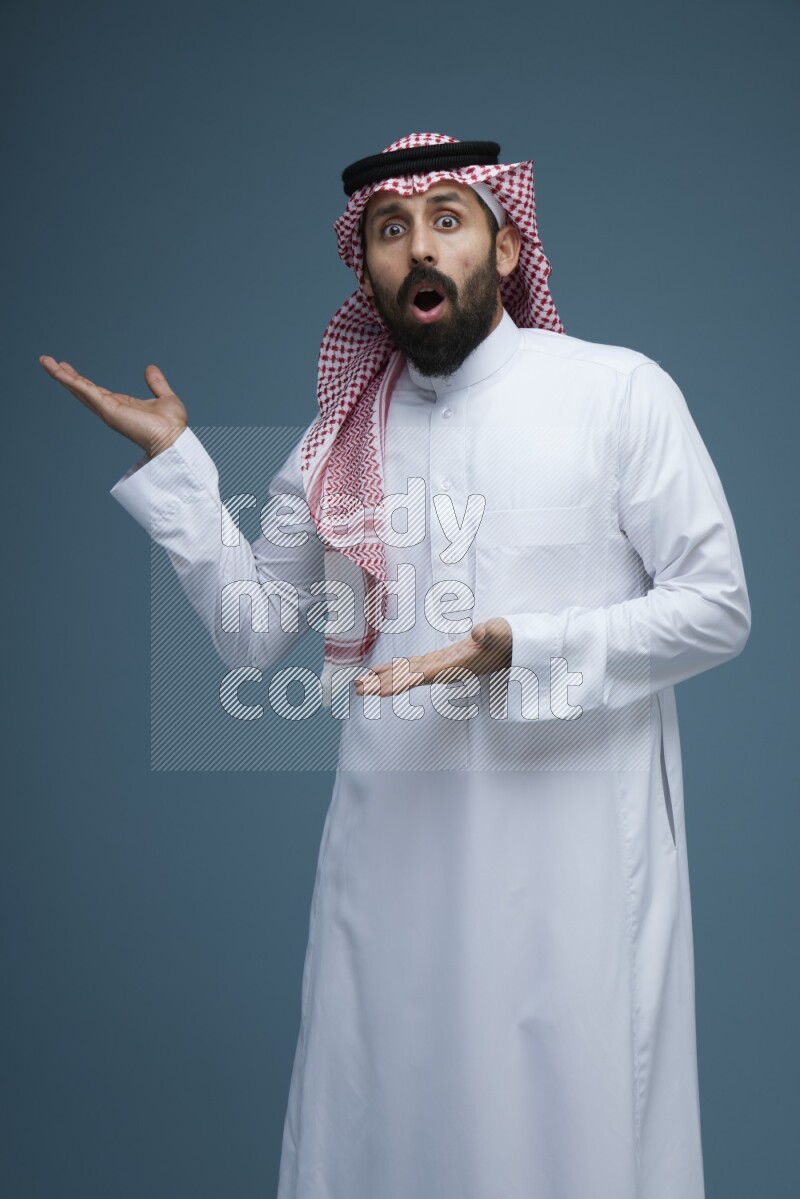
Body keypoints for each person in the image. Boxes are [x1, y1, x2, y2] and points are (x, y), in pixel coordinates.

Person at [39, 132, 751, 1199]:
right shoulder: (337, 440)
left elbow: (716, 609)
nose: (419, 247)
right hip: (395, 860)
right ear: (365, 266)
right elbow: (251, 628)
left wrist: (529, 646)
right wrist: (181, 473)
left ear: (504, 251)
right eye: (389, 230)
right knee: (384, 1126)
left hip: (572, 867)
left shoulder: (617, 395)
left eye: (447, 222)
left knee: (572, 1132)